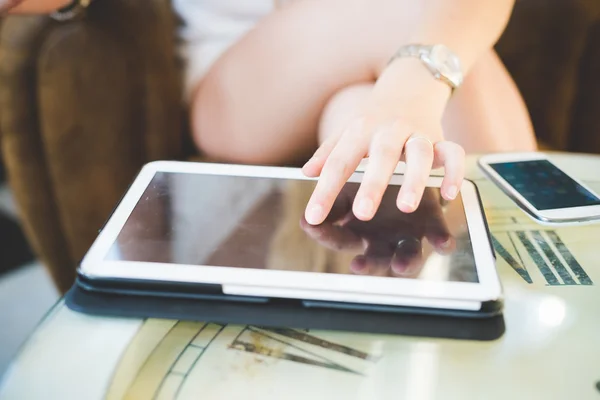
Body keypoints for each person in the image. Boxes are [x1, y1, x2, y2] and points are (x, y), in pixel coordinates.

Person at [4, 0, 537, 226]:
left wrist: (396, 93)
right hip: (240, 81)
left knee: (360, 120)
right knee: (414, 18)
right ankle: (535, 254)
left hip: (388, 52)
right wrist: (413, 87)